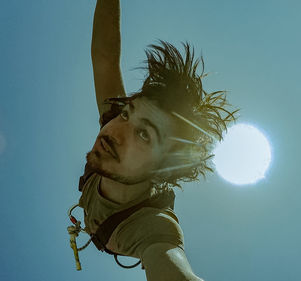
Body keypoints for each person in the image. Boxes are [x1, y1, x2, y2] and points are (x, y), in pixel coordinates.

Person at [76, 1, 238, 280]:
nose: (115, 131)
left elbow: (172, 266)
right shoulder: (114, 127)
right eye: (127, 114)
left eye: (144, 134)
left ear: (162, 168)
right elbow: (104, 56)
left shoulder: (156, 227)